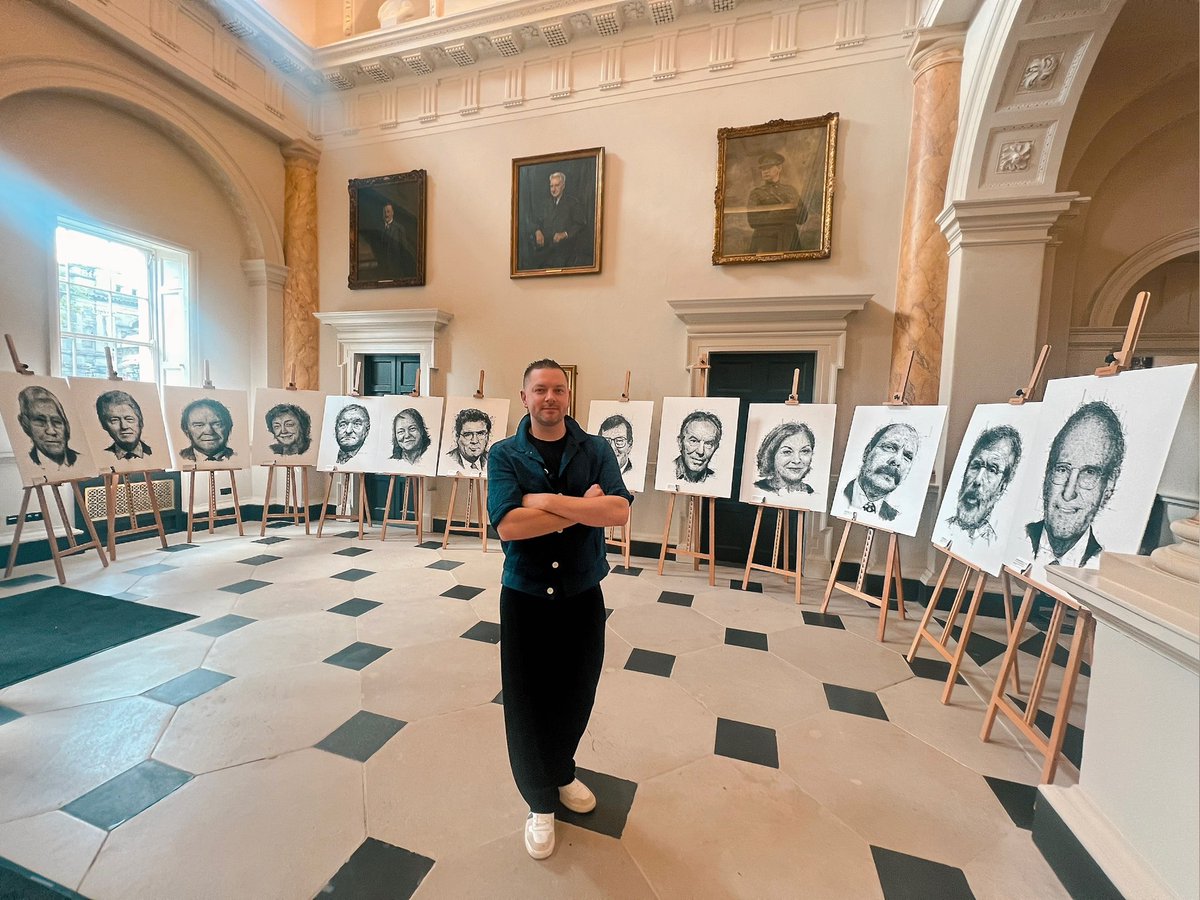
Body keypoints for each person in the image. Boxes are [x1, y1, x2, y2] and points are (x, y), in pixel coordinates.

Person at [486, 359, 632, 861]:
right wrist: (579, 508)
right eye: (540, 389)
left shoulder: (597, 449)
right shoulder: (504, 454)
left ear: (568, 396)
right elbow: (508, 527)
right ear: (524, 396)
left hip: (581, 593)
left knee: (576, 691)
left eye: (559, 390)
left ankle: (562, 770)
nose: (550, 397)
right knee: (529, 701)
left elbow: (618, 511)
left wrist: (545, 501)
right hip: (526, 595)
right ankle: (539, 801)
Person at [1025, 401, 1124, 568]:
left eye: (1089, 473)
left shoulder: (1103, 563)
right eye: (1062, 469)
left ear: (1108, 486)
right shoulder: (1020, 539)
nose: (1068, 492)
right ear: (1047, 474)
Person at [944, 425, 1022, 545]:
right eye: (976, 466)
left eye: (992, 470)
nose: (978, 480)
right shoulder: (944, 528)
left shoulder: (994, 544)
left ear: (1002, 487)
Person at [841, 422, 919, 522]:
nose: (897, 461)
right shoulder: (840, 496)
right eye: (890, 447)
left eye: (907, 457)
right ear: (867, 452)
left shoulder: (895, 518)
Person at [746, 151, 808, 254]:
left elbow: (802, 218)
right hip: (766, 241)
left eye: (769, 167)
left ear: (779, 168)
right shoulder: (756, 193)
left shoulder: (790, 190)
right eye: (763, 169)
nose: (765, 171)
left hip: (790, 239)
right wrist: (779, 213)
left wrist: (794, 211)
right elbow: (752, 221)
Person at [526, 171, 587, 269]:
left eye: (557, 186)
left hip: (565, 251)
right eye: (551, 186)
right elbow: (534, 221)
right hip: (545, 250)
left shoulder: (573, 203)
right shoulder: (545, 204)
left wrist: (565, 234)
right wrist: (537, 231)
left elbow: (581, 224)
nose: (553, 189)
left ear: (563, 186)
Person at [18, 385, 79, 469]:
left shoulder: (82, 460)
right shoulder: (27, 464)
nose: (51, 431)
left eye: (57, 422)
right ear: (25, 425)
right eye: (40, 421)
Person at [754, 421, 816, 495]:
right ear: (771, 456)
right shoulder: (757, 489)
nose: (797, 460)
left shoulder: (812, 494)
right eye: (787, 452)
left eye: (805, 451)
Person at [96, 389, 152, 460]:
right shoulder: (100, 458)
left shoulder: (156, 453)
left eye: (129, 419)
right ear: (104, 425)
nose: (124, 426)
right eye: (115, 420)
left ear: (140, 422)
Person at [179, 398, 236, 463]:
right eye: (199, 425)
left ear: (229, 427)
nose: (209, 431)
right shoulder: (180, 459)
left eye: (217, 424)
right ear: (186, 431)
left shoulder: (236, 457)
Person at [673, 410, 723, 483]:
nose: (700, 451)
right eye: (693, 441)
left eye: (708, 443)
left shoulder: (717, 480)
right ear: (680, 442)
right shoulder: (666, 471)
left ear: (716, 447)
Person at [375, 202, 415, 280]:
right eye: (384, 212)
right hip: (383, 271)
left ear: (393, 213)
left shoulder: (399, 229)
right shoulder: (379, 229)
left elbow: (404, 252)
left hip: (396, 271)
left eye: (388, 211)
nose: (386, 214)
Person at [444, 408, 492, 473]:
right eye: (468, 435)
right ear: (457, 437)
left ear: (487, 436)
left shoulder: (492, 460)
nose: (474, 441)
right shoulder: (447, 459)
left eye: (480, 434)